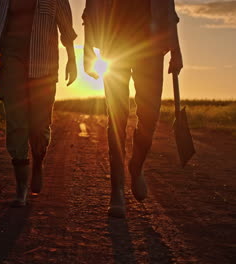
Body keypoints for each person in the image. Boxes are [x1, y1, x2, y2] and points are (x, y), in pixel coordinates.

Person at [82, 0, 184, 217]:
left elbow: (168, 7)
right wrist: (88, 48)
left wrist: (176, 49)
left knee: (150, 115)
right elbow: (91, 8)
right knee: (116, 119)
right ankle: (116, 191)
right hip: (115, 45)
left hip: (151, 46)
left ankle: (136, 165)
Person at [0, 0, 77, 207]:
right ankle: (21, 188)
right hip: (11, 61)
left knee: (39, 126)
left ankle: (38, 160)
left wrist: (72, 59)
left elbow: (66, 26)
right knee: (17, 124)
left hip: (44, 64)